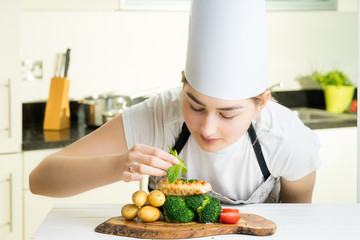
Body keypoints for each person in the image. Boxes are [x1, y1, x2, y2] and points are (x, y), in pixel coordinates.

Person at [29, 0, 321, 204]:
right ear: (182, 82)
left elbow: (299, 223)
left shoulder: (288, 139)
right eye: (195, 106)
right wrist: (118, 165)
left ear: (262, 102)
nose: (207, 128)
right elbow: (40, 180)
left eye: (227, 114)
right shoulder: (159, 115)